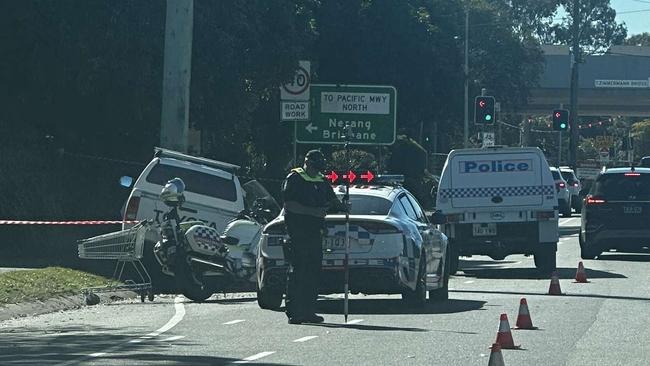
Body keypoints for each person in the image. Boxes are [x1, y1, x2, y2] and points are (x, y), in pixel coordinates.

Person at [281, 149, 346, 324]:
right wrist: (313, 212)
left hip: (315, 233)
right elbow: (290, 205)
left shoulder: (321, 180)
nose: (317, 170)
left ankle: (309, 310)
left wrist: (342, 205)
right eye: (315, 166)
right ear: (307, 163)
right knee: (298, 271)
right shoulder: (294, 178)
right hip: (298, 232)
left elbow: (331, 201)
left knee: (313, 272)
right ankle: (294, 311)